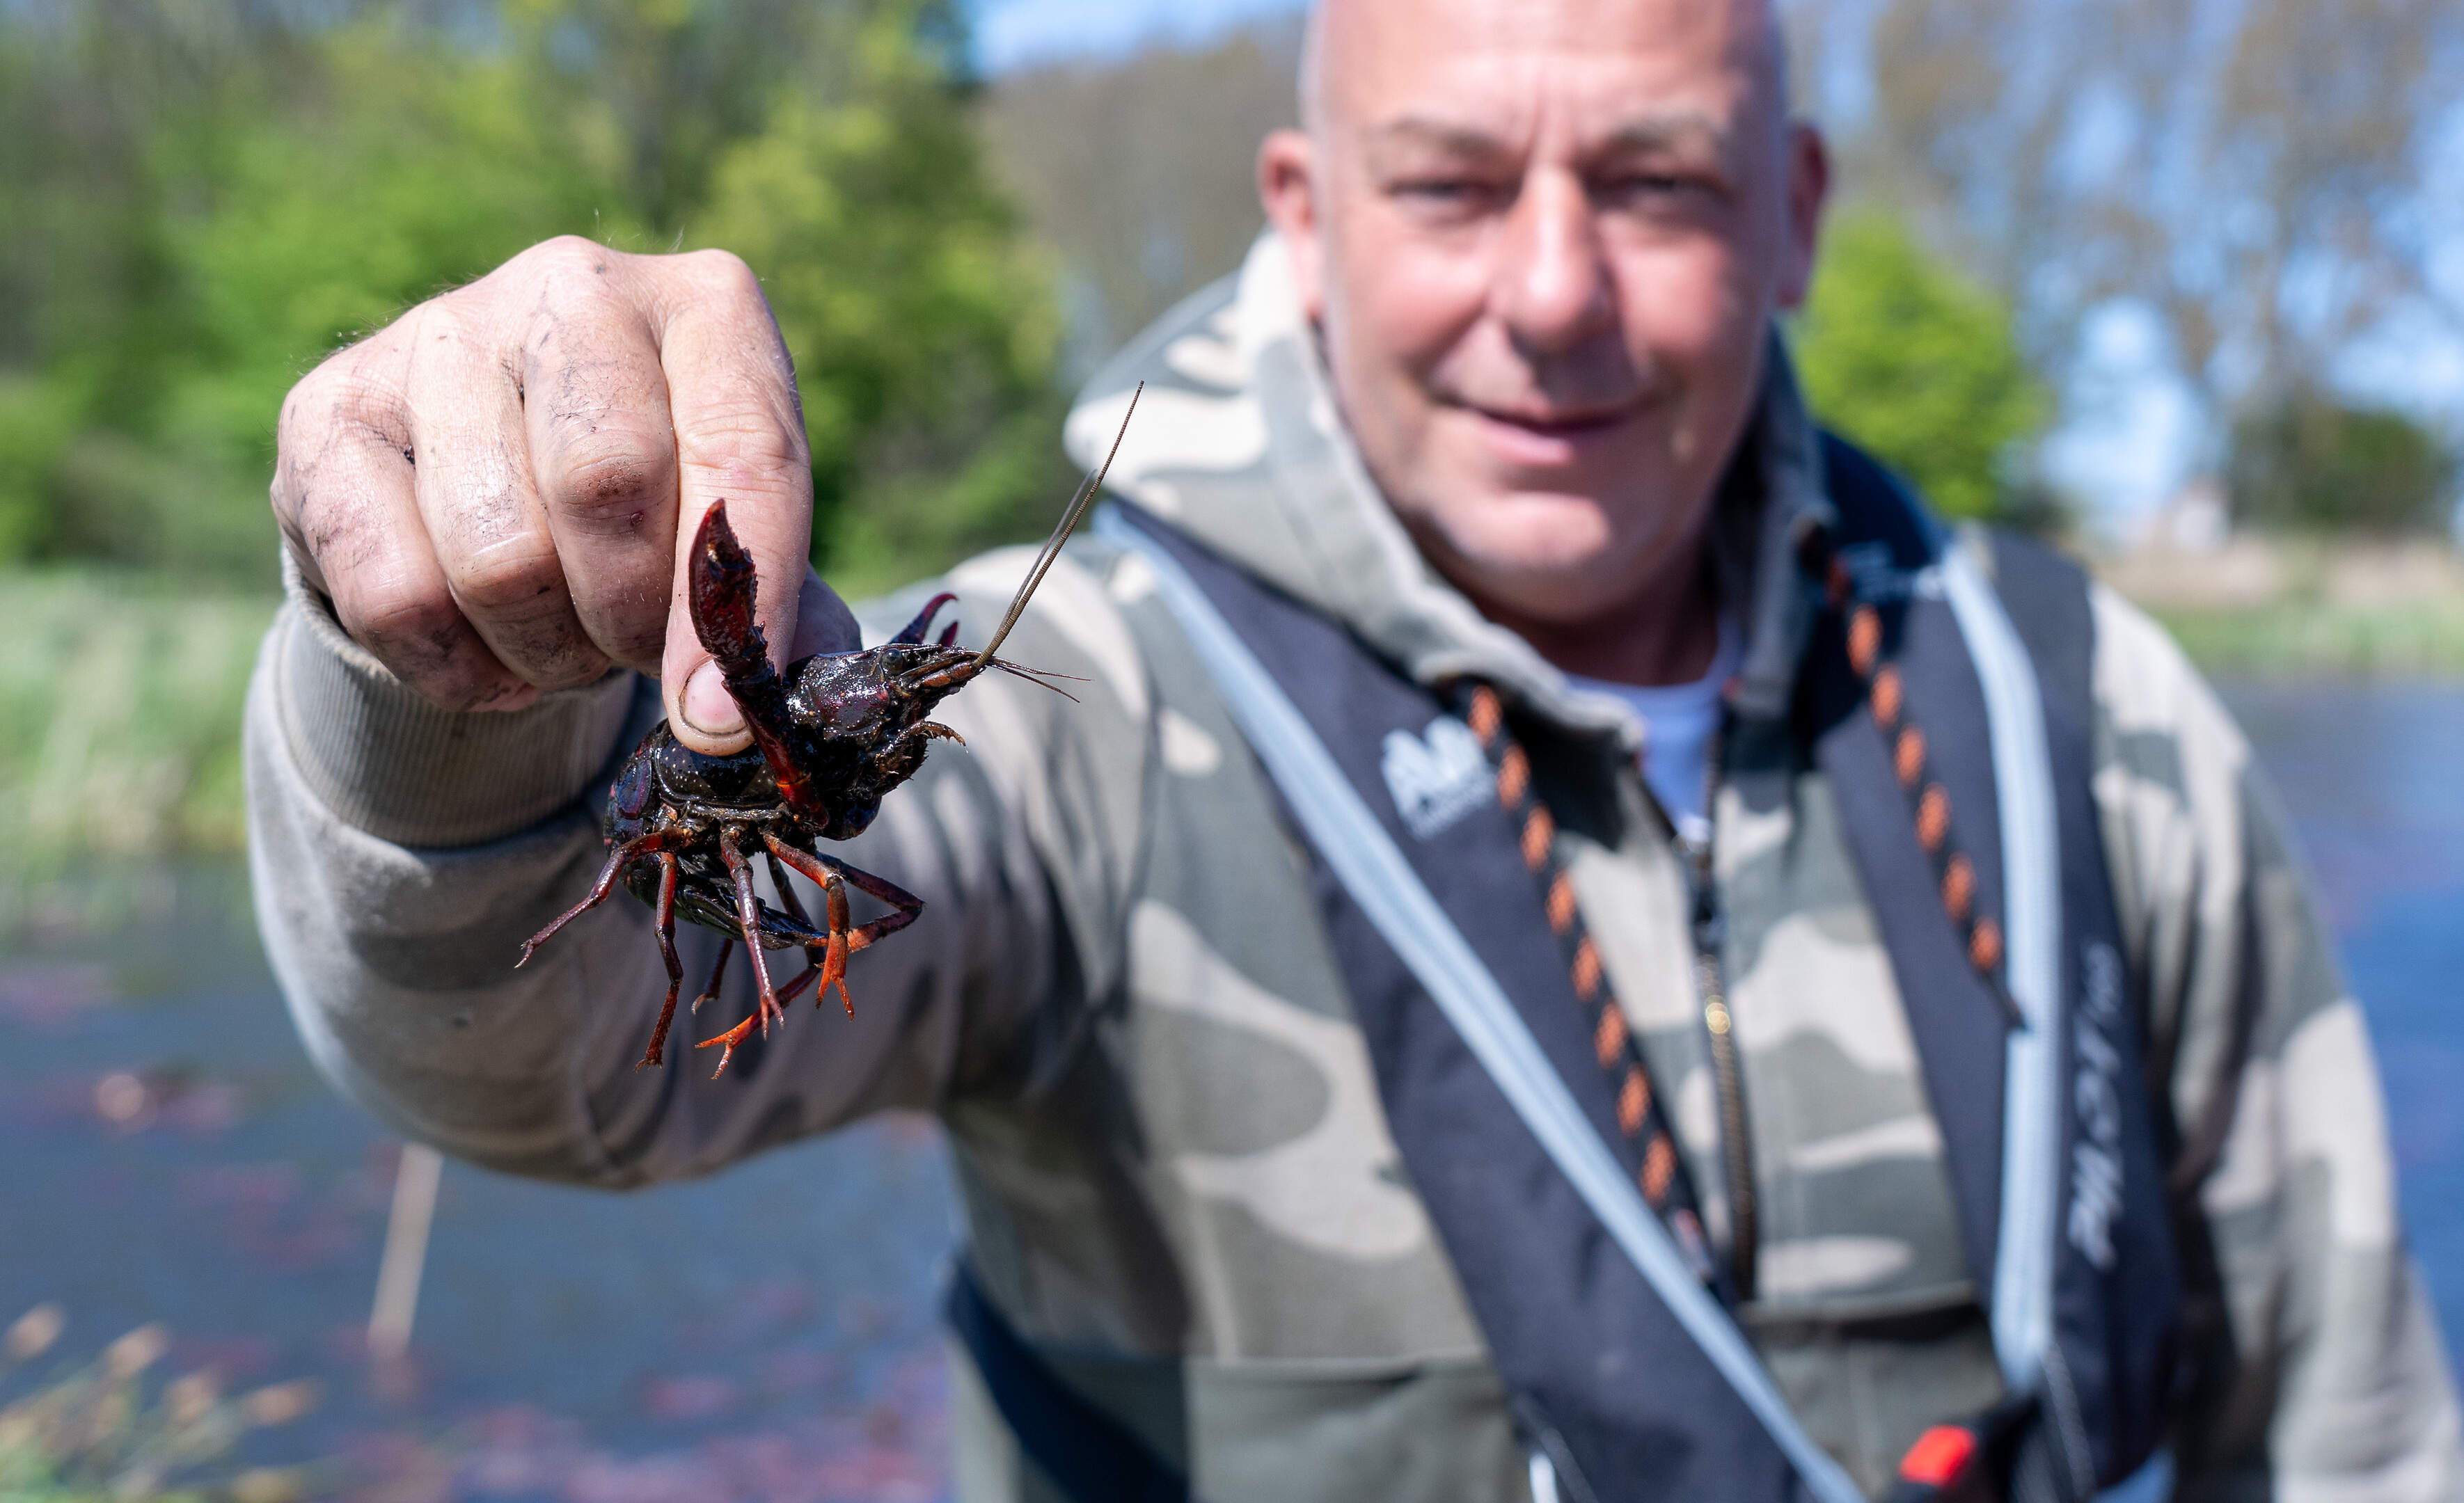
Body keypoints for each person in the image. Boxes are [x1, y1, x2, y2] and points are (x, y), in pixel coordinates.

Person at [244, 0, 2462, 1496]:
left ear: (1792, 211)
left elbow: (2358, 1428)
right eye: (1452, 183)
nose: (1555, 289)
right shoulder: (1107, 710)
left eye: (1660, 183)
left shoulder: (2095, 722)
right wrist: (454, 681)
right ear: (1299, 223)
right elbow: (535, 1074)